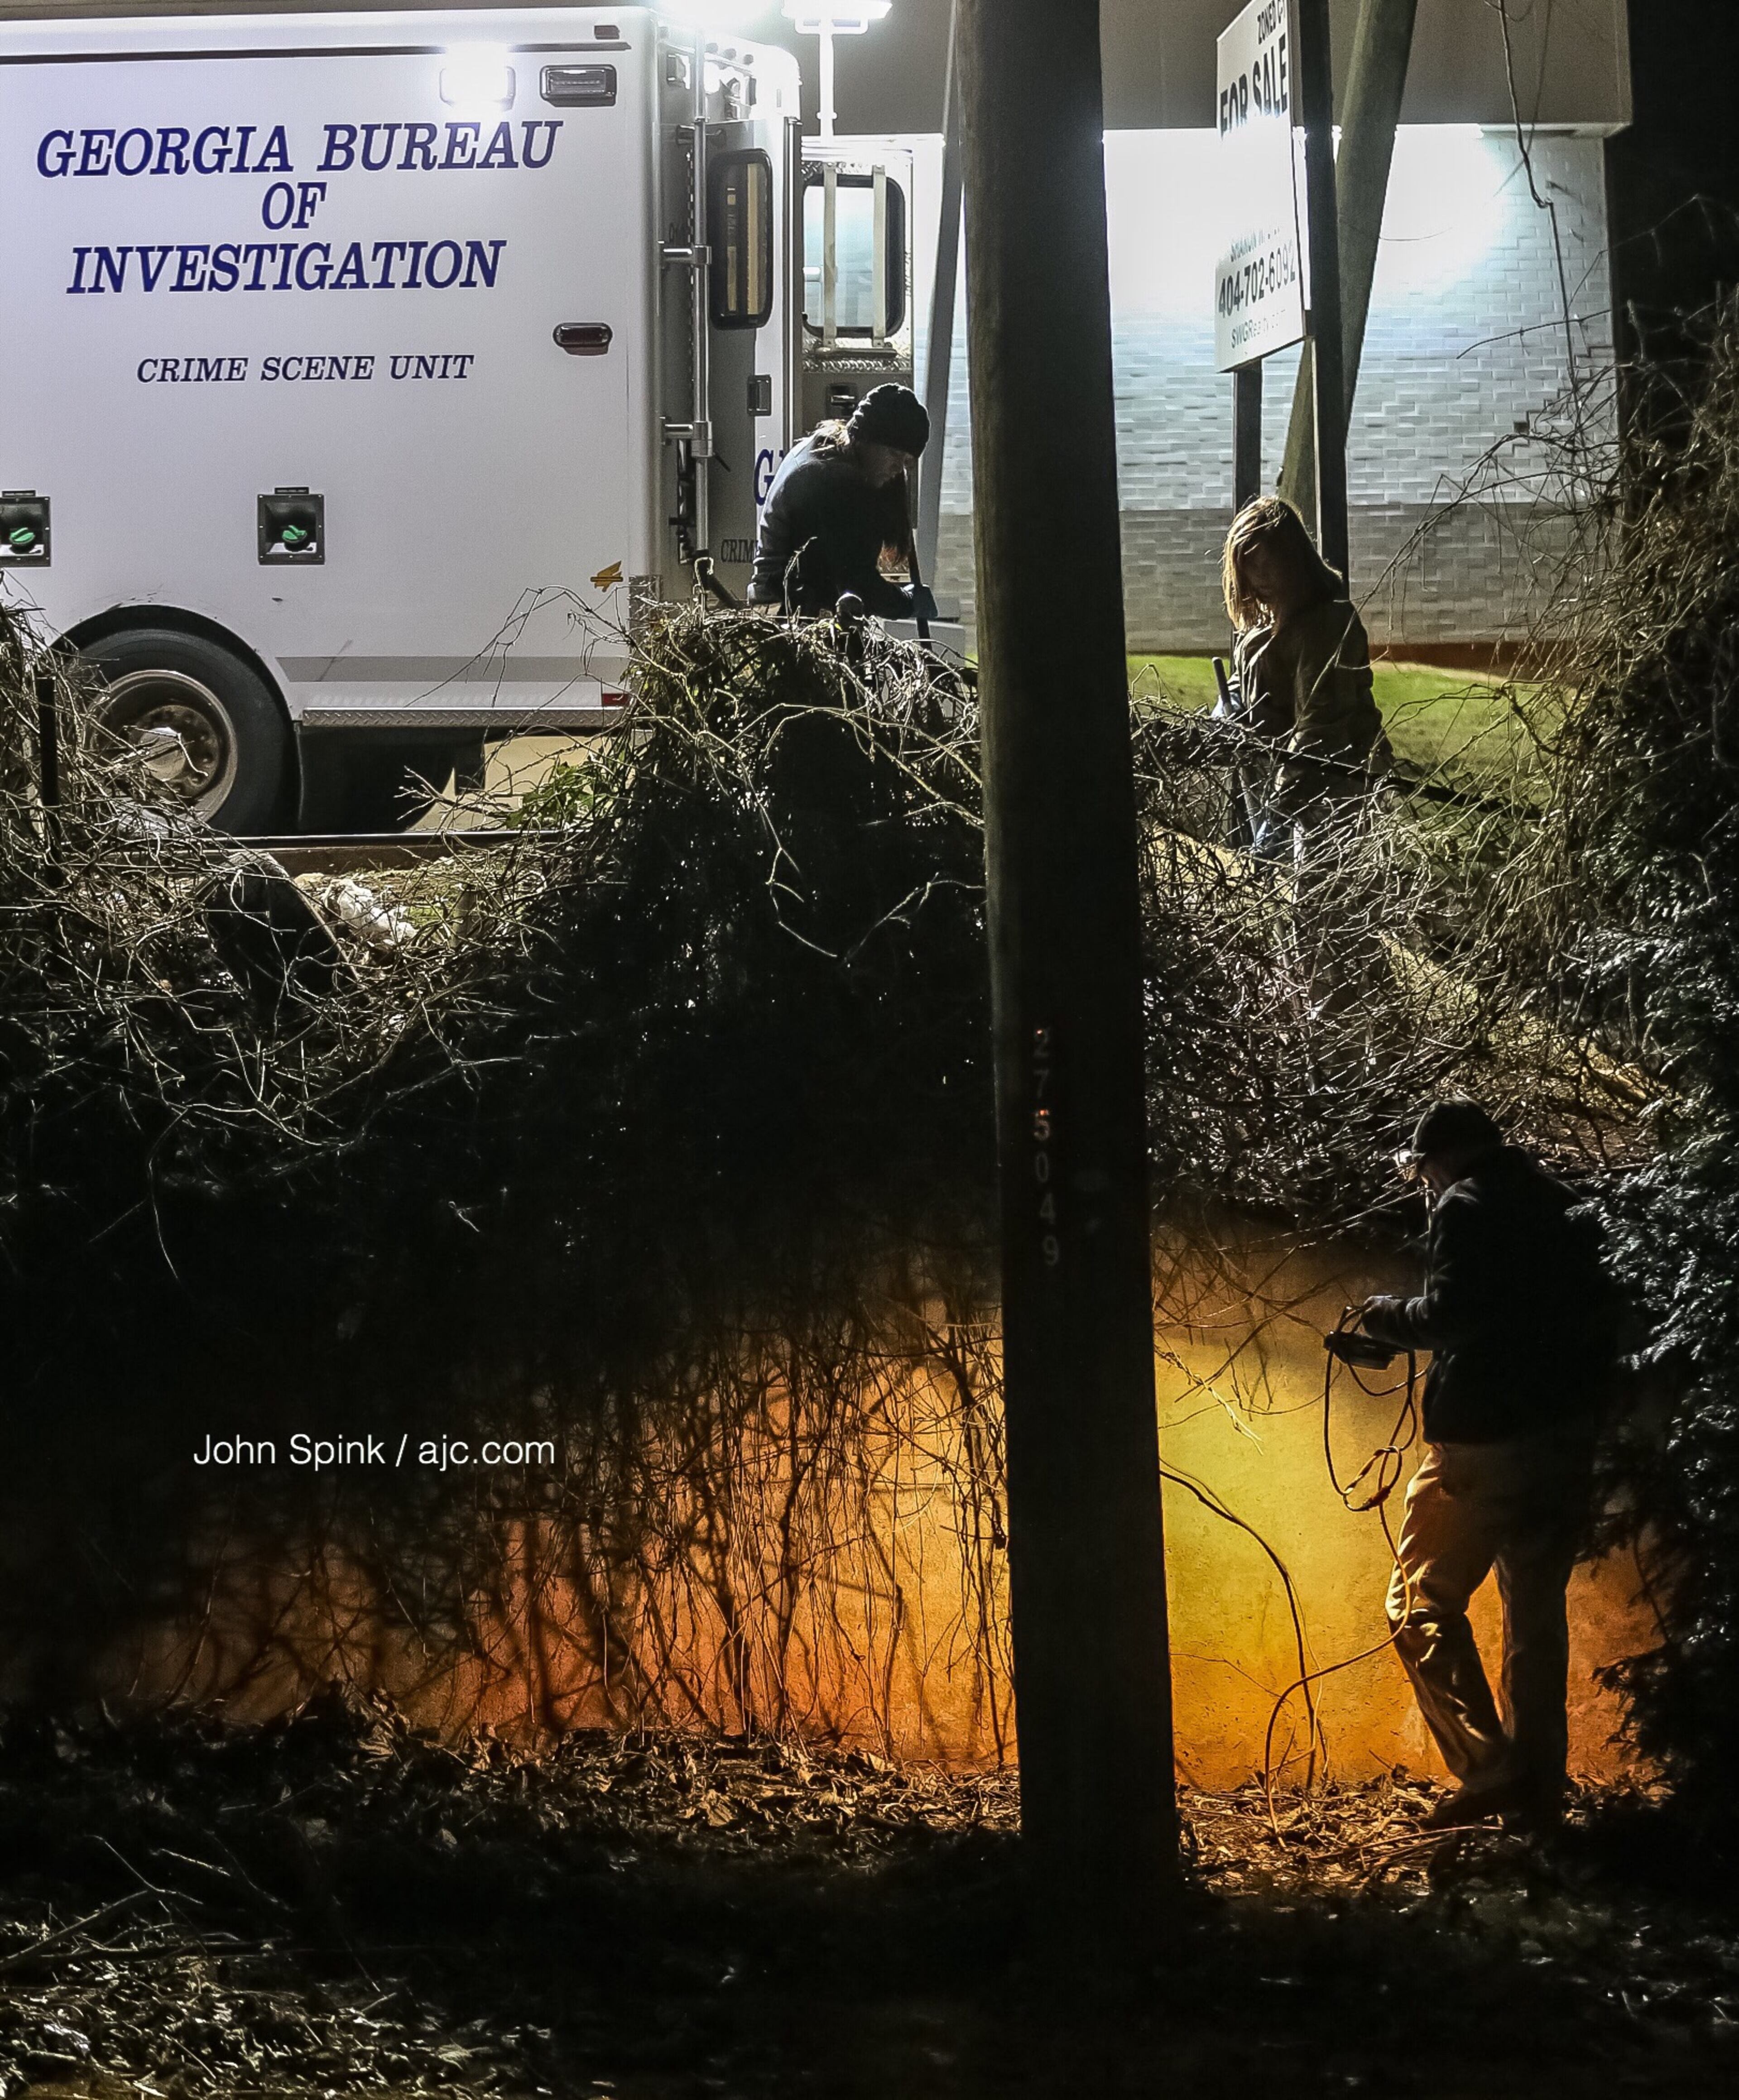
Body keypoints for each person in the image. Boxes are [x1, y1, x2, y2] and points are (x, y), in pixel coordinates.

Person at [1359, 1099, 1623, 1831]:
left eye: (1424, 1169)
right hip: (1564, 1440)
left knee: (1419, 1605)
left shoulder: (1466, 1204)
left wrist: (1383, 1314)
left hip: (1483, 1445)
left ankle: (1490, 1770)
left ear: (1439, 1159)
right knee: (1534, 1617)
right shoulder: (1567, 1203)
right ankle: (1537, 1793)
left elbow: (1452, 1315)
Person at [1219, 496, 1392, 853]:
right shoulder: (1261, 626)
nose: (1260, 579)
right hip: (1281, 781)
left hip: (1338, 787)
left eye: (1269, 565)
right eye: (1250, 567)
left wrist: (1278, 815)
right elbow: (1242, 686)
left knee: (1319, 900)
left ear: (1294, 560)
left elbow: (1320, 730)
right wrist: (1226, 714)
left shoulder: (1326, 626)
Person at [749, 384, 931, 619]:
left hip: (784, 602)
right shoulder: (835, 482)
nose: (898, 469)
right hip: (787, 611)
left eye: (907, 461)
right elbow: (857, 583)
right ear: (866, 439)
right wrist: (907, 603)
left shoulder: (822, 449)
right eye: (894, 455)